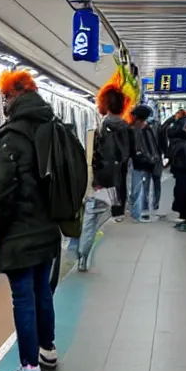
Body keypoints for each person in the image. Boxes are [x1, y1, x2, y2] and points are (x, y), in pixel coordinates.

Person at [0, 70, 60, 371]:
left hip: (20, 231)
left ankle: (29, 369)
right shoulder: (50, 126)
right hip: (47, 228)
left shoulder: (11, 135)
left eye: (4, 97)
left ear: (14, 95)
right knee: (42, 290)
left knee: (23, 298)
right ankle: (48, 350)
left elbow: (2, 190)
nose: (3, 103)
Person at [78, 84, 130, 271]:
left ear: (105, 104)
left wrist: (96, 182)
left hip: (102, 184)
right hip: (118, 186)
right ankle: (85, 251)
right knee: (100, 218)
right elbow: (125, 158)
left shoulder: (101, 128)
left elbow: (99, 158)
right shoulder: (126, 128)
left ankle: (82, 255)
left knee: (90, 220)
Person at [129, 104, 161, 223]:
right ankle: (138, 212)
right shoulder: (146, 129)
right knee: (141, 188)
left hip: (141, 163)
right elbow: (153, 146)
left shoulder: (134, 129)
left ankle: (139, 212)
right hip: (145, 163)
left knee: (138, 189)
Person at [142, 108, 163, 217]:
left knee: (146, 182)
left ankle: (145, 205)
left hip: (146, 159)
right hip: (157, 158)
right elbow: (163, 141)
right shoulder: (158, 126)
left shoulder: (141, 127)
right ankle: (155, 203)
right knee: (156, 181)